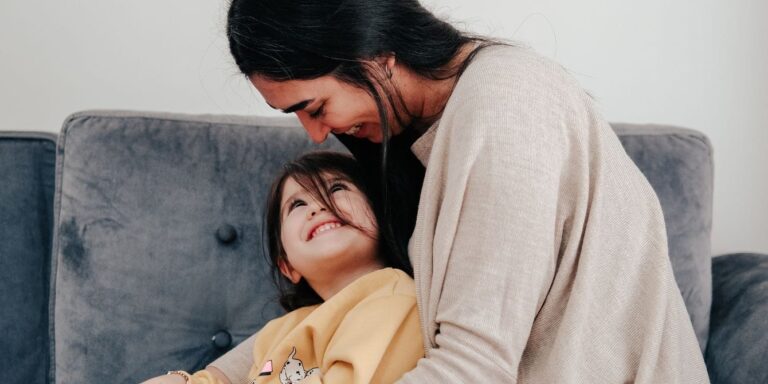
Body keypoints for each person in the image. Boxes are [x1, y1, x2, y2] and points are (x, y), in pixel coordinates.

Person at [217, 0, 711, 382]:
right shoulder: (422, 139)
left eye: (316, 106)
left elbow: (475, 368)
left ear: (376, 57)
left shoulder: (505, 105)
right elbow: (314, 324)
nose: (315, 134)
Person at [141, 152, 423, 383]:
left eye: (337, 188)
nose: (318, 206)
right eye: (297, 204)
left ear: (382, 218)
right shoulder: (282, 330)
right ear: (287, 265)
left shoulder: (391, 296)